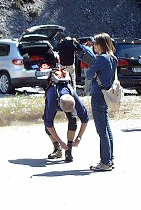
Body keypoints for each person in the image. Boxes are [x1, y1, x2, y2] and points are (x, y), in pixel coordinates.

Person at [78, 33, 117, 171]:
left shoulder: (101, 59)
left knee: (102, 130)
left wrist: (94, 71)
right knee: (106, 128)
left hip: (98, 95)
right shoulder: (113, 58)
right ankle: (109, 159)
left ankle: (105, 162)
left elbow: (88, 75)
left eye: (95, 43)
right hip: (106, 95)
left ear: (100, 45)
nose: (93, 46)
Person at [43, 69, 88, 163]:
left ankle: (69, 150)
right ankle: (57, 149)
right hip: (53, 95)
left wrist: (79, 137)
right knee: (46, 124)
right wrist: (60, 141)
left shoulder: (74, 97)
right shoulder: (52, 101)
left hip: (66, 98)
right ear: (59, 105)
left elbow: (85, 119)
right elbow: (49, 124)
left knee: (73, 120)